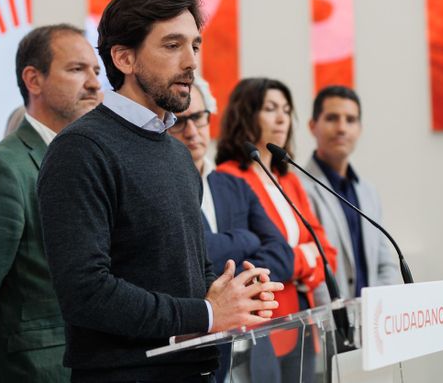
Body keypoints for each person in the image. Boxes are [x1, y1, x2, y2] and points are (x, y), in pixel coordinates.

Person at [37, 0, 284, 382]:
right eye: (172, 46)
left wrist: (234, 292)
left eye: (195, 45)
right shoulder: (80, 150)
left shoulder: (175, 154)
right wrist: (205, 313)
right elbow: (85, 293)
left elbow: (190, 270)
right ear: (124, 59)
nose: (191, 62)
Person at [0, 24, 102, 382]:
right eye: (77, 69)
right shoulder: (2, 169)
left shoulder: (100, 161)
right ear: (34, 79)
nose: (94, 83)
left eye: (96, 71)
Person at [169, 77, 293, 383]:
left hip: (253, 345)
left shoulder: (234, 185)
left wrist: (237, 288)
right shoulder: (161, 190)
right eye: (179, 122)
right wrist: (245, 240)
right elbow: (186, 258)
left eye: (198, 117)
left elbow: (281, 253)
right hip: (195, 351)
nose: (191, 130)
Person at [215, 77, 338, 381]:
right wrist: (304, 258)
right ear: (247, 114)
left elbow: (327, 253)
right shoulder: (229, 178)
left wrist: (296, 261)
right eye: (270, 109)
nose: (282, 118)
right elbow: (251, 260)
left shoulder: (289, 179)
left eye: (286, 109)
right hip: (261, 325)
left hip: (304, 321)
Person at [300, 85, 399, 301]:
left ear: (360, 129)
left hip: (373, 321)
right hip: (331, 323)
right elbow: (311, 275)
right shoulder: (299, 188)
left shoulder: (368, 192)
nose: (342, 128)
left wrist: (378, 311)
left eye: (351, 120)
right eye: (332, 118)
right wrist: (342, 319)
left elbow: (385, 263)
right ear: (312, 126)